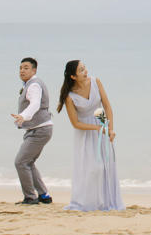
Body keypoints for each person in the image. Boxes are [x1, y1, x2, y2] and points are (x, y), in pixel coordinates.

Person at [57, 60, 122, 212]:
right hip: (85, 132)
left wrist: (110, 129)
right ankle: (87, 203)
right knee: (92, 168)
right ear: (73, 76)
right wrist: (98, 128)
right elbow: (76, 123)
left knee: (107, 166)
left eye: (84, 68)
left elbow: (107, 106)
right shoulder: (69, 96)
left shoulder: (95, 81)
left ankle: (106, 203)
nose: (85, 72)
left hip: (102, 123)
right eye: (81, 70)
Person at [11, 57, 53, 205]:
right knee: (28, 162)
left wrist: (23, 116)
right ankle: (44, 195)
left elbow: (35, 104)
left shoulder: (34, 85)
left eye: (26, 68)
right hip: (39, 128)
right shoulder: (30, 84)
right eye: (20, 68)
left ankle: (30, 197)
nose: (22, 70)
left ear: (34, 70)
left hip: (40, 129)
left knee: (20, 162)